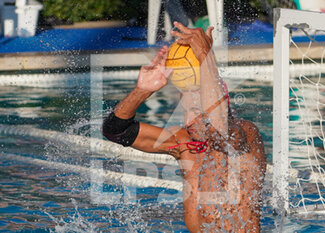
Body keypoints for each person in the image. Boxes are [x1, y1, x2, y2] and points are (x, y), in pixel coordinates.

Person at [102, 21, 266, 232]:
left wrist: (206, 56)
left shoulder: (245, 135)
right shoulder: (184, 142)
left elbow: (218, 132)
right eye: (185, 112)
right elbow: (115, 131)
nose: (189, 122)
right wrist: (142, 91)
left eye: (196, 113)